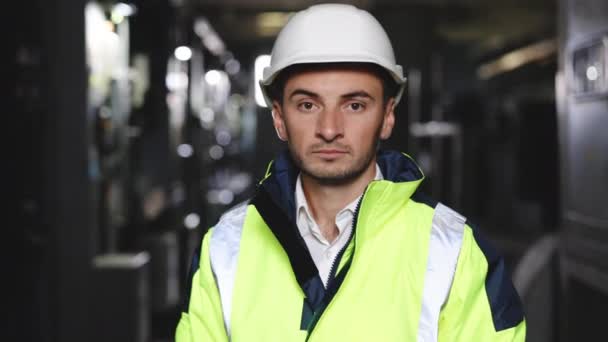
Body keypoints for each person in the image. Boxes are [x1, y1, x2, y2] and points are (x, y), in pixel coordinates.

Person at [175, 3, 526, 341]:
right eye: (308, 105)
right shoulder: (223, 248)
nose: (329, 128)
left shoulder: (454, 252)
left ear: (388, 116)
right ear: (279, 118)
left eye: (355, 105)